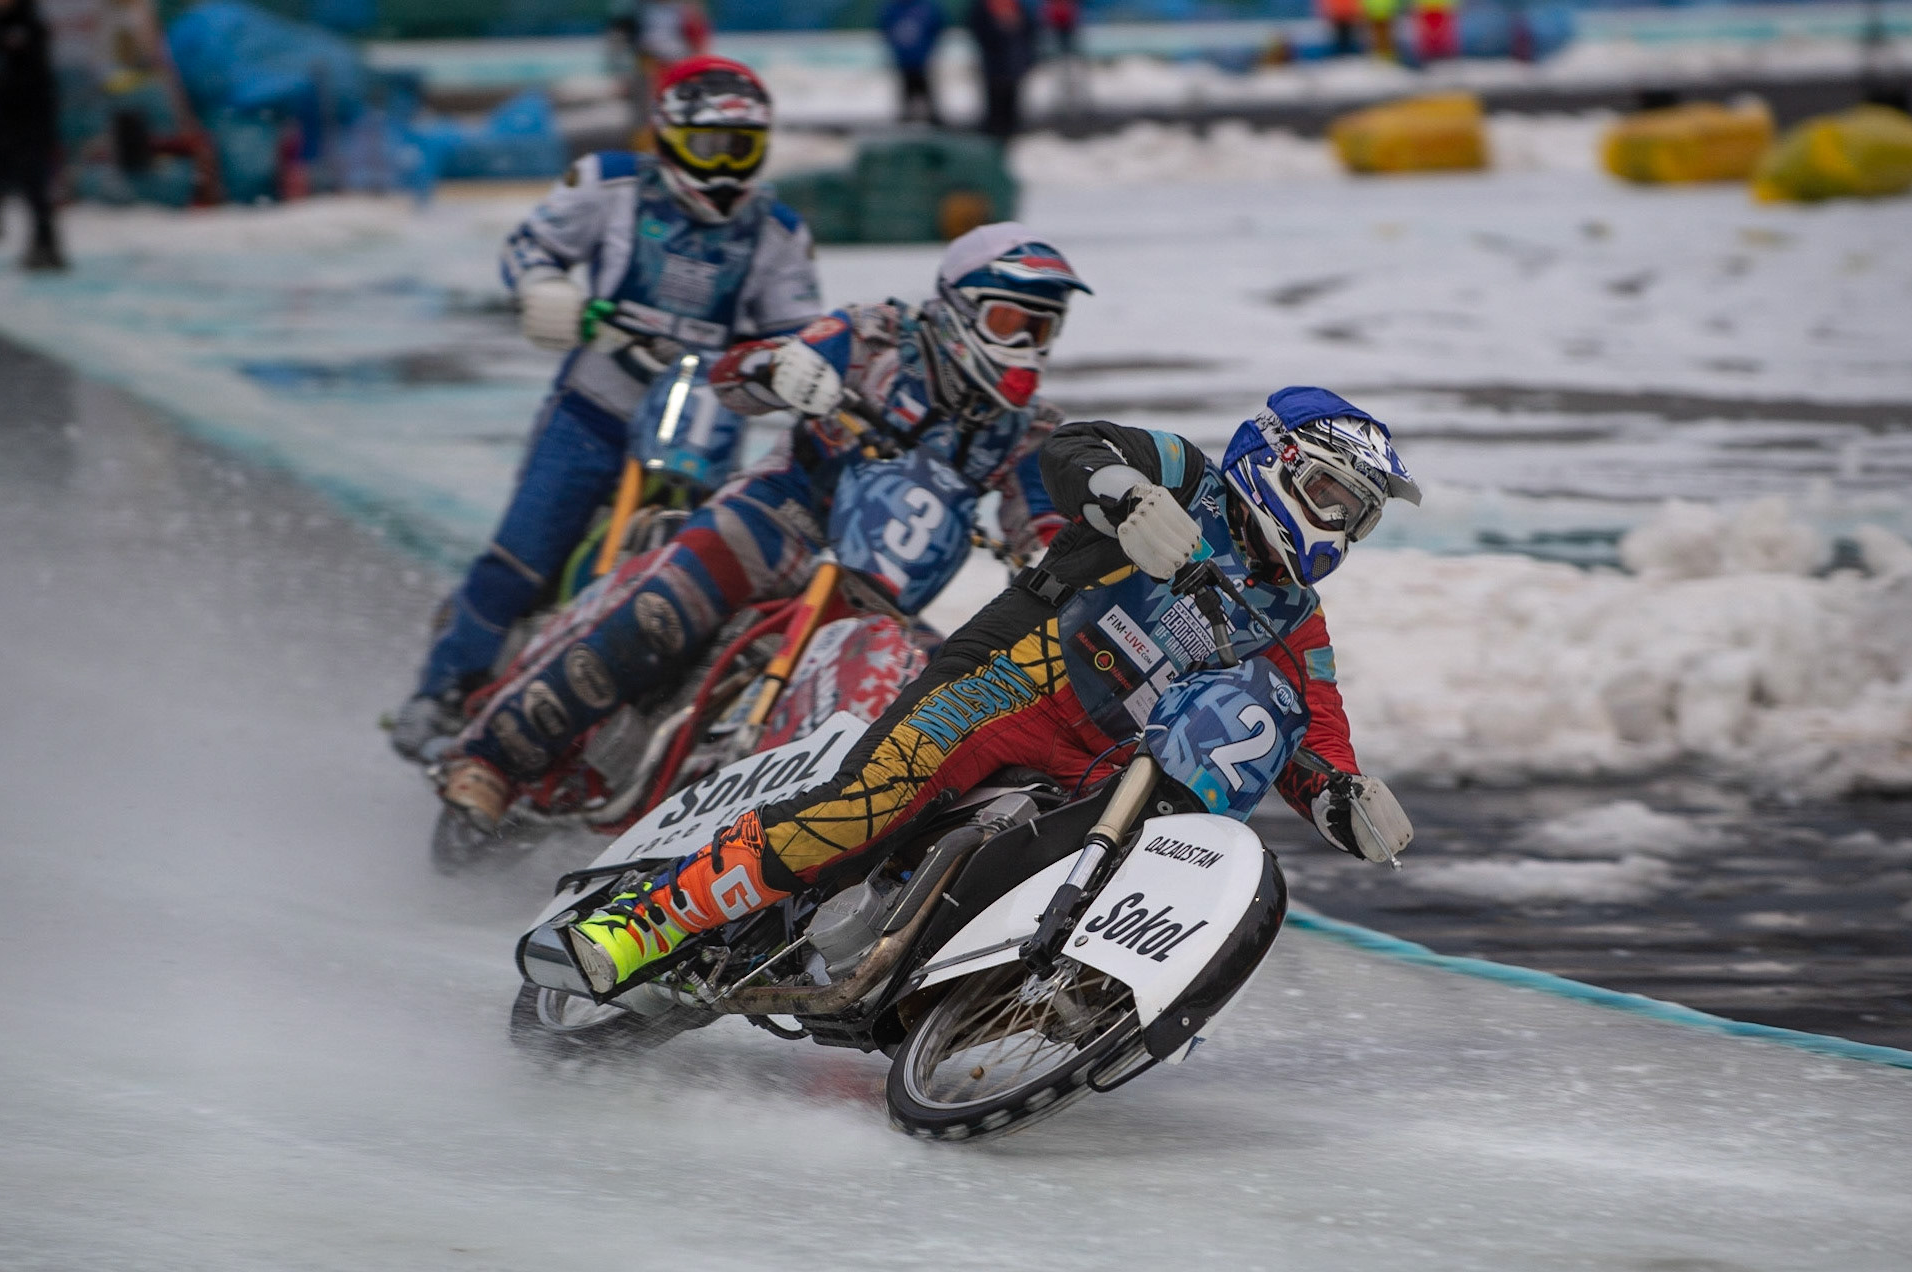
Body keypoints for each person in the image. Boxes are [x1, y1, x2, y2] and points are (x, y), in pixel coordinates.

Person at [559, 387, 1422, 996]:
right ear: (1273, 461)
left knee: (1112, 871)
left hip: (1103, 768)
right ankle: (649, 921)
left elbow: (1306, 723)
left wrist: (1341, 793)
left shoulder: (1296, 617)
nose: (1337, 525)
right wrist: (1125, 497)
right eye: (1329, 495)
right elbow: (1074, 448)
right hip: (1006, 684)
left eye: (1356, 514)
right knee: (866, 806)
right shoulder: (1184, 475)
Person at [434, 222, 1091, 828]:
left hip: (881, 591)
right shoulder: (874, 337)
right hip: (782, 516)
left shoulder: (1029, 429)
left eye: (1042, 330)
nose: (1026, 348)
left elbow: (1045, 523)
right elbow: (731, 378)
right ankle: (492, 760)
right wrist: (778, 367)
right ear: (957, 307)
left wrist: (1074, 563)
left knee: (927, 691)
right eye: (1011, 322)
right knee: (660, 612)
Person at [389, 56, 822, 760]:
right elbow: (531, 246)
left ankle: (659, 725)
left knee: (707, 575)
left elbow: (798, 333)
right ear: (669, 135)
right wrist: (544, 289)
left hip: (705, 416)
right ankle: (441, 690)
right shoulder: (608, 184)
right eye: (710, 145)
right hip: (597, 401)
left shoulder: (777, 231)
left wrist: (799, 369)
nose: (724, 166)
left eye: (740, 148)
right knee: (524, 553)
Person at [0, 0, 65, 271]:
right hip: (5, 120)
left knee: (35, 185)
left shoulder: (30, 25)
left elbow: (38, 79)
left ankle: (46, 245)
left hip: (30, 120)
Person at [968, 0, 1034, 142]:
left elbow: (1028, 29)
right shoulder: (983, 8)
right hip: (993, 64)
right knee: (995, 106)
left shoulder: (1016, 6)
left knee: (1011, 105)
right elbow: (979, 30)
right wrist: (1000, 28)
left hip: (1013, 64)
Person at [880, 0, 944, 126]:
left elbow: (937, 28)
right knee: (906, 89)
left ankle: (932, 117)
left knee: (924, 88)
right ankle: (908, 117)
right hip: (904, 60)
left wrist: (928, 48)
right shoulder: (892, 9)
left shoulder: (926, 8)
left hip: (921, 60)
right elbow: (885, 29)